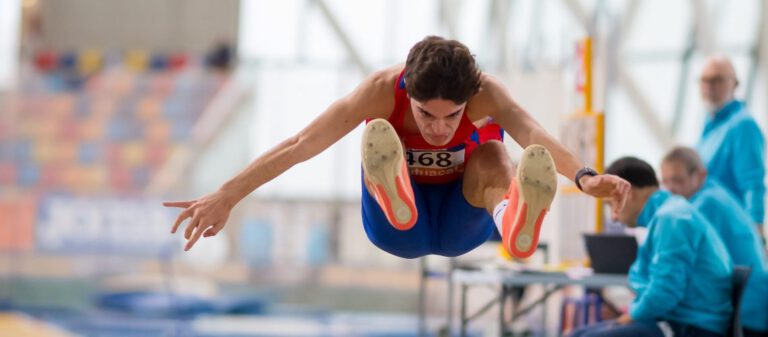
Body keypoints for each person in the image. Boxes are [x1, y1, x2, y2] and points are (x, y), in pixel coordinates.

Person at [164, 36, 630, 259]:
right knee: (378, 139)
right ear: (408, 91)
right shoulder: (381, 91)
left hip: (461, 219)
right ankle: (394, 194)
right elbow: (301, 144)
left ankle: (511, 217)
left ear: (469, 97)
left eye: (453, 116)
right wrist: (228, 193)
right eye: (427, 114)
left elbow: (537, 137)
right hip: (394, 229)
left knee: (497, 152)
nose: (441, 129)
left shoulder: (488, 93)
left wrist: (586, 178)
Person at [569, 157, 732, 337]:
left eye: (611, 204)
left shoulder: (672, 219)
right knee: (578, 333)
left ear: (627, 193)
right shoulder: (669, 214)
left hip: (689, 327)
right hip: (676, 320)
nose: (614, 217)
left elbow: (665, 292)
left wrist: (632, 315)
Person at [661, 146, 768, 337]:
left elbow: (677, 261)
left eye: (677, 180)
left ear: (700, 175)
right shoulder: (714, 194)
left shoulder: (706, 204)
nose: (670, 189)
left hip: (745, 314)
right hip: (747, 307)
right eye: (665, 181)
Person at [697, 56, 766, 229]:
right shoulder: (709, 125)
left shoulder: (742, 126)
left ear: (735, 84)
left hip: (731, 230)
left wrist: (756, 231)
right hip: (709, 226)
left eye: (717, 80)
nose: (709, 86)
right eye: (704, 80)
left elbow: (753, 183)